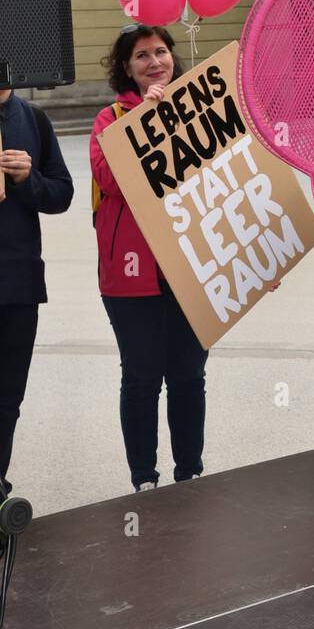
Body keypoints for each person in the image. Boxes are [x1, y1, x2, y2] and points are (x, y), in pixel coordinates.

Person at [90, 24, 208, 493]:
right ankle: (145, 478)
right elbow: (113, 179)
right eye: (142, 56)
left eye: (161, 52)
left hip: (190, 271)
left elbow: (226, 182)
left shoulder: (198, 110)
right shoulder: (110, 118)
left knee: (188, 376)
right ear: (127, 68)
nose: (154, 61)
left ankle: (190, 474)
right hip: (131, 276)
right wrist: (149, 122)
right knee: (141, 379)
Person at [0, 83, 74, 495]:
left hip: (18, 283)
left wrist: (29, 180)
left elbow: (62, 193)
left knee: (7, 399)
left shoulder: (35, 119)